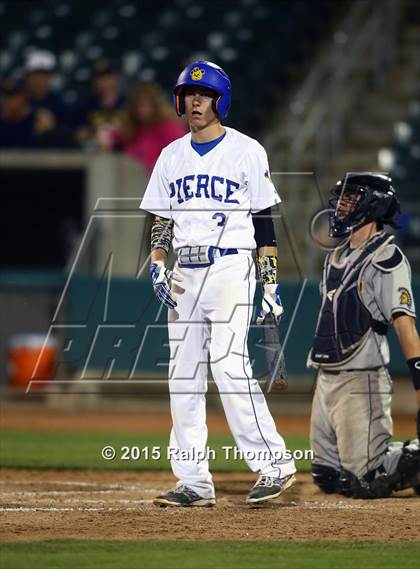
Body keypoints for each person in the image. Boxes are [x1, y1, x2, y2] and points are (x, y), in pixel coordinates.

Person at [140, 60, 296, 507]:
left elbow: (264, 221)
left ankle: (275, 465)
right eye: (189, 93)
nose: (194, 100)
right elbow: (162, 219)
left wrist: (268, 281)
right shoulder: (171, 156)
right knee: (183, 376)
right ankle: (193, 481)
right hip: (184, 273)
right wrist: (156, 261)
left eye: (204, 94)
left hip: (230, 268)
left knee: (229, 367)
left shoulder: (248, 150)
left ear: (220, 100)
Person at [307, 172, 420, 499]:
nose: (341, 205)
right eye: (342, 197)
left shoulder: (387, 258)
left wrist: (418, 380)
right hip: (326, 378)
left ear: (374, 205)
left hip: (362, 379)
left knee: (365, 480)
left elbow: (404, 323)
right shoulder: (335, 256)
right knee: (327, 478)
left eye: (351, 197)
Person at [99, 82, 186, 172]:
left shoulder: (168, 127)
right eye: (139, 104)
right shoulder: (131, 128)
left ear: (155, 105)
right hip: (132, 178)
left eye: (146, 104)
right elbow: (107, 136)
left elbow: (182, 152)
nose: (142, 108)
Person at [75, 59, 124, 149]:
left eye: (108, 77)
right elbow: (80, 133)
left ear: (117, 78)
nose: (105, 83)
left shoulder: (126, 104)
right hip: (93, 153)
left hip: (122, 154)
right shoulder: (87, 105)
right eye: (101, 78)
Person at [0, 78, 54, 148]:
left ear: (24, 97)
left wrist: (43, 134)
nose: (10, 101)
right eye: (7, 96)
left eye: (14, 96)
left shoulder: (36, 119)